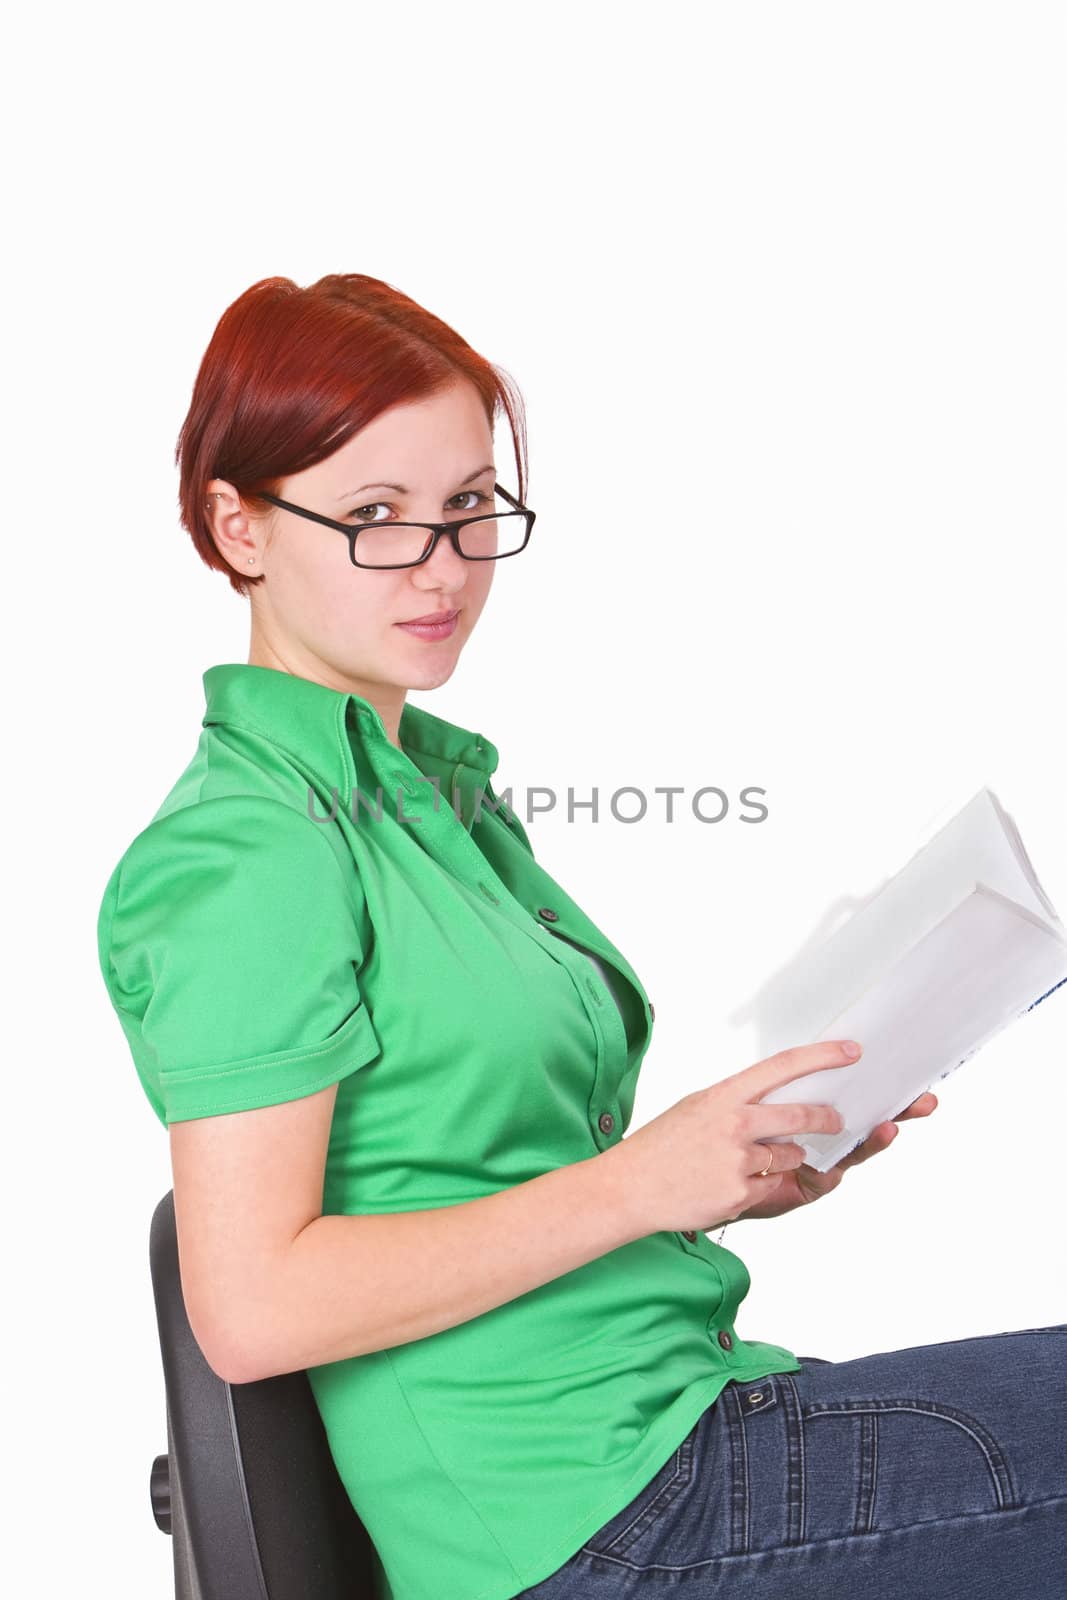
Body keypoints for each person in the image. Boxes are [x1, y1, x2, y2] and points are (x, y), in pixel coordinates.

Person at [96, 273, 1066, 1600]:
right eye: (374, 518)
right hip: (588, 1519)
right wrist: (647, 1184)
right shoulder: (248, 849)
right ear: (240, 525)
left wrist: (734, 1169)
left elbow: (484, 1171)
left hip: (677, 1418)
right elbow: (252, 1307)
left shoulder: (427, 801)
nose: (440, 567)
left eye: (468, 510)